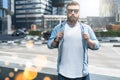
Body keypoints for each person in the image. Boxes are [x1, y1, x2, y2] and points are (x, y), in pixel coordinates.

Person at [47, 1, 100, 80]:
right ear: (66, 12)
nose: (73, 13)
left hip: (82, 74)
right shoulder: (58, 28)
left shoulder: (86, 28)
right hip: (63, 73)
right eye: (70, 11)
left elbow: (97, 46)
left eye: (76, 11)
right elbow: (49, 45)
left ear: (79, 13)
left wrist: (89, 40)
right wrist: (56, 39)